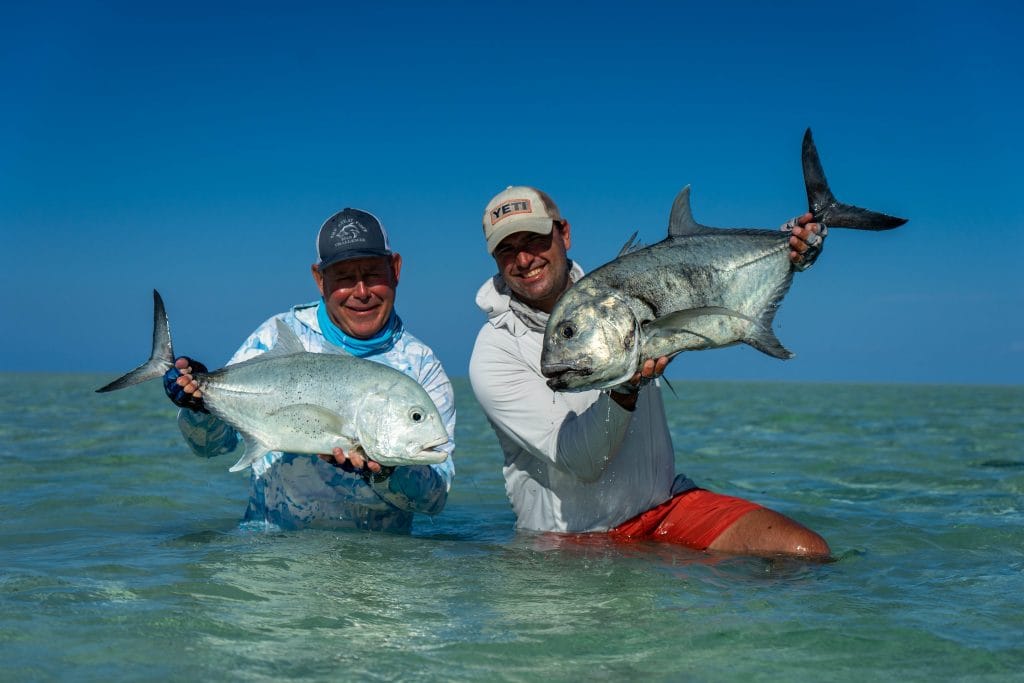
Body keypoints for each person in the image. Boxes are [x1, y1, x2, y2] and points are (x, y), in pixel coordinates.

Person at [469, 186, 830, 558]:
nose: (524, 258)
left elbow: (713, 282)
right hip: (573, 540)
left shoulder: (616, 287)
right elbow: (582, 461)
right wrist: (626, 387)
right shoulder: (495, 354)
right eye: (506, 249)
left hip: (665, 507)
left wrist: (789, 250)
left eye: (534, 239)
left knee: (806, 552)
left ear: (564, 234)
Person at [164, 208, 456, 532]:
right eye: (344, 278)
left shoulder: (421, 366)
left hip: (376, 573)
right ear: (319, 279)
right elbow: (209, 447)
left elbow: (435, 500)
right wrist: (199, 407)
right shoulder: (275, 335)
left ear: (396, 269)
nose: (361, 292)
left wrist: (384, 470)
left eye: (373, 274)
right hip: (272, 560)